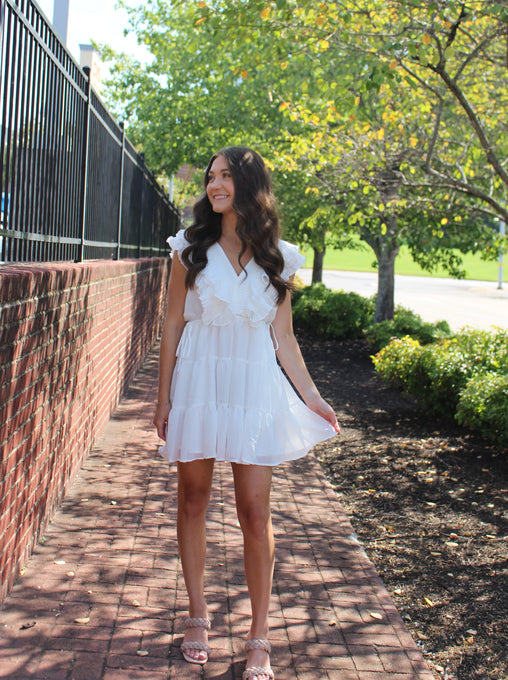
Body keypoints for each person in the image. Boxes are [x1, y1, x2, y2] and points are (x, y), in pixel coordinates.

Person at [153, 146, 339, 680]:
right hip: (199, 381)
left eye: (226, 176)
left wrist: (313, 397)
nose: (214, 185)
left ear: (249, 184)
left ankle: (260, 634)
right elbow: (171, 323)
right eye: (211, 176)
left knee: (255, 514)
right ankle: (196, 617)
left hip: (253, 387)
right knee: (193, 501)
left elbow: (283, 338)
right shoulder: (188, 248)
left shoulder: (278, 256)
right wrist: (163, 397)